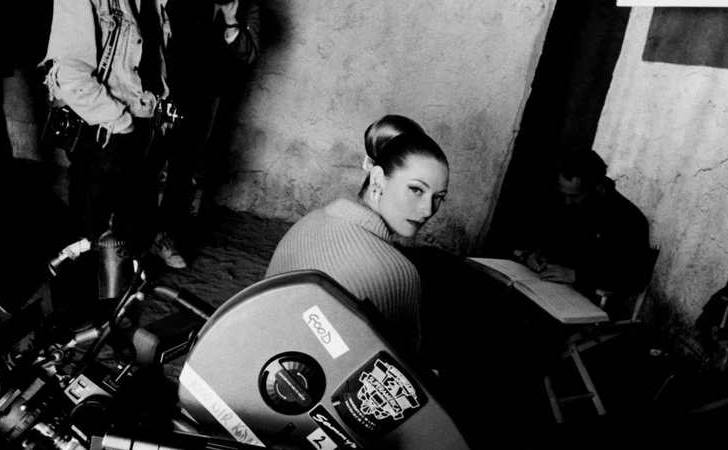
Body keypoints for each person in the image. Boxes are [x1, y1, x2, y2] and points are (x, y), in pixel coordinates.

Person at [265, 115, 449, 354]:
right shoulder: (400, 274)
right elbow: (402, 367)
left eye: (439, 198)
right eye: (416, 189)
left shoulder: (311, 220)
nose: (428, 210)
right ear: (377, 178)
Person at [41, 0, 172, 321]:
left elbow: (153, 55)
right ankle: (71, 324)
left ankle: (110, 320)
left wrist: (155, 109)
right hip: (104, 128)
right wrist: (120, 123)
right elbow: (71, 72)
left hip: (142, 125)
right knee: (89, 233)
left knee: (126, 235)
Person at [152, 0, 261, 269]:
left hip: (206, 94)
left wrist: (231, 21)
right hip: (163, 87)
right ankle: (133, 233)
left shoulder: (248, 5)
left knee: (184, 164)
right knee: (148, 160)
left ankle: (164, 236)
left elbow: (249, 53)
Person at [517, 148, 651, 298]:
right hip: (546, 286)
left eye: (574, 197)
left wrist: (577, 275)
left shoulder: (629, 219)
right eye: (563, 193)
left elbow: (635, 280)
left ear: (597, 187)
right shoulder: (563, 200)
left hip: (588, 298)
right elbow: (544, 239)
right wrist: (534, 255)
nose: (567, 201)